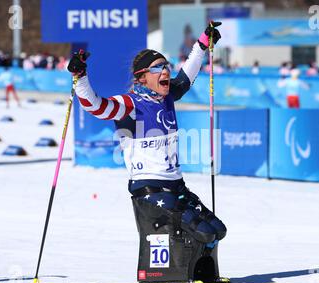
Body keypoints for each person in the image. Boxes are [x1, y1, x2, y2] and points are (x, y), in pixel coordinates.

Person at [68, 21, 227, 252]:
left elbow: (186, 75)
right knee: (203, 232)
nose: (165, 71)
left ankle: (197, 270)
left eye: (166, 66)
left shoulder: (167, 96)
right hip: (150, 189)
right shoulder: (131, 103)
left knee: (217, 229)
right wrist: (80, 76)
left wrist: (203, 44)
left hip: (176, 186)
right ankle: (172, 271)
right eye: (157, 68)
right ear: (142, 77)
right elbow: (96, 107)